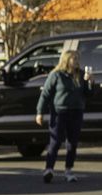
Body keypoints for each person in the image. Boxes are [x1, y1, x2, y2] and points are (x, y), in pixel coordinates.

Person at [37, 49, 90, 183]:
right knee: (55, 142)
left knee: (72, 143)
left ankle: (68, 170)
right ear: (67, 60)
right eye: (74, 59)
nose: (77, 62)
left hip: (76, 112)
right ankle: (49, 169)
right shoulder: (56, 75)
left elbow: (88, 94)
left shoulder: (81, 75)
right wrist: (40, 112)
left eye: (78, 59)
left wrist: (90, 83)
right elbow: (46, 94)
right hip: (59, 112)